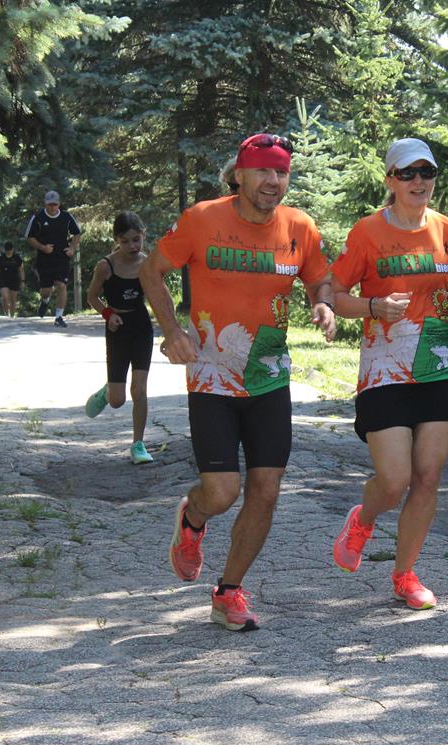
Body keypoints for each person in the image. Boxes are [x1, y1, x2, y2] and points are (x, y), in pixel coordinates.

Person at [139, 133, 335, 632]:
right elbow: (151, 271)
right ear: (239, 175)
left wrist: (322, 303)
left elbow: (319, 278)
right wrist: (172, 330)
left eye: (281, 172)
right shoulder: (202, 219)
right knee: (223, 492)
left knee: (266, 490)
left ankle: (228, 592)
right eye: (263, 171)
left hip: (269, 378)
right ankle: (193, 518)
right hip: (212, 376)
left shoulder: (300, 227)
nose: (273, 181)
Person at [328, 137, 448, 611]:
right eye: (408, 173)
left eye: (427, 172)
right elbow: (334, 296)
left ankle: (405, 574)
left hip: (438, 365)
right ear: (391, 180)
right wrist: (374, 306)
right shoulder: (367, 232)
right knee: (395, 479)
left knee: (427, 477)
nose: (419, 181)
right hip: (385, 365)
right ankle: (364, 518)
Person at [84, 212, 156, 465]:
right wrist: (108, 314)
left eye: (136, 240)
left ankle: (138, 444)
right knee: (118, 400)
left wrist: (171, 332)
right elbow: (92, 297)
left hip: (141, 327)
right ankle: (108, 392)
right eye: (125, 241)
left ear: (143, 235)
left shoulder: (147, 264)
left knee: (139, 389)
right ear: (116, 240)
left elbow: (158, 297)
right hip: (117, 330)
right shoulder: (106, 266)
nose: (132, 246)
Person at [25, 189, 81, 327]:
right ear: (45, 204)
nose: (52, 207)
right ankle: (45, 301)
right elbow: (29, 237)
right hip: (45, 259)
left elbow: (77, 233)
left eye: (55, 204)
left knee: (61, 285)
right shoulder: (38, 218)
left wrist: (72, 248)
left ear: (59, 204)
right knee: (46, 290)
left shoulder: (66, 217)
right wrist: (42, 247)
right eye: (50, 204)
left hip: (62, 258)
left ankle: (59, 317)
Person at [0, 242, 24, 317]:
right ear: (5, 250)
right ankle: (6, 314)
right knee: (5, 297)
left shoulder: (17, 258)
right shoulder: (1, 258)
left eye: (10, 250)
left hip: (14, 280)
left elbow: (21, 270)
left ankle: (12, 316)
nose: (9, 251)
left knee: (13, 299)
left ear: (13, 249)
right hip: (3, 279)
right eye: (7, 250)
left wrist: (22, 281)